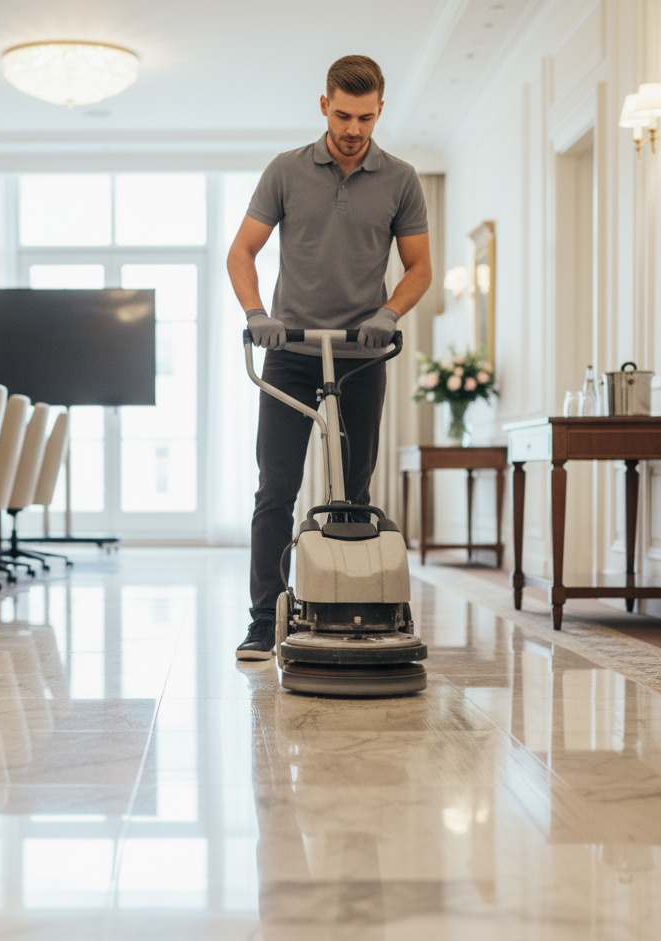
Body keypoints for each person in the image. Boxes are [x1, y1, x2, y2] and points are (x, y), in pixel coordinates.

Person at [227, 54, 432, 660]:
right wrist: (256, 314)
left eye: (365, 118)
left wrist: (388, 313)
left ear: (379, 112)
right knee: (277, 488)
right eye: (343, 115)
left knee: (355, 491)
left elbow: (419, 268)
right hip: (290, 350)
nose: (353, 129)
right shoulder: (286, 171)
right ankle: (264, 620)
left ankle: (354, 609)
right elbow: (243, 250)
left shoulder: (400, 178)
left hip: (362, 353)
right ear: (324, 106)